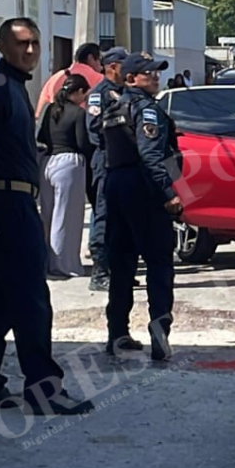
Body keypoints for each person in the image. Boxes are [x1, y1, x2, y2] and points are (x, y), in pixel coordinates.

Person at [0, 17, 94, 416]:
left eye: (35, 43)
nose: (30, 50)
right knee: (33, 299)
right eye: (21, 43)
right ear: (3, 46)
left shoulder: (16, 87)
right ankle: (43, 390)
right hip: (3, 204)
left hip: (11, 201)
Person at [102, 53, 182, 360]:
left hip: (116, 185)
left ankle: (117, 334)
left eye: (157, 73)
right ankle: (160, 337)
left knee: (121, 265)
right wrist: (168, 194)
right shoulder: (146, 110)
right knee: (159, 263)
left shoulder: (112, 108)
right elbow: (151, 157)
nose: (156, 78)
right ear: (131, 78)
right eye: (149, 73)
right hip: (143, 188)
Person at [37, 73, 92, 279]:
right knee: (66, 217)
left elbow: (41, 136)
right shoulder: (78, 114)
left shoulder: (51, 110)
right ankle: (65, 264)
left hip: (48, 162)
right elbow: (82, 143)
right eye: (84, 95)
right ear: (78, 92)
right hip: (69, 163)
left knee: (48, 215)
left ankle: (48, 261)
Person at [84, 47, 128, 292]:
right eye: (124, 64)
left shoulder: (125, 92)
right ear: (112, 66)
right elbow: (94, 129)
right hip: (106, 160)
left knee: (121, 217)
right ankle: (99, 271)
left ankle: (117, 267)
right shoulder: (99, 94)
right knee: (104, 213)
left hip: (124, 162)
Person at [36, 42, 103, 119]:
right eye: (99, 60)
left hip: (54, 124)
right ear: (90, 58)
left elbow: (40, 111)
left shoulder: (55, 78)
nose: (101, 65)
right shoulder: (99, 79)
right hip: (82, 125)